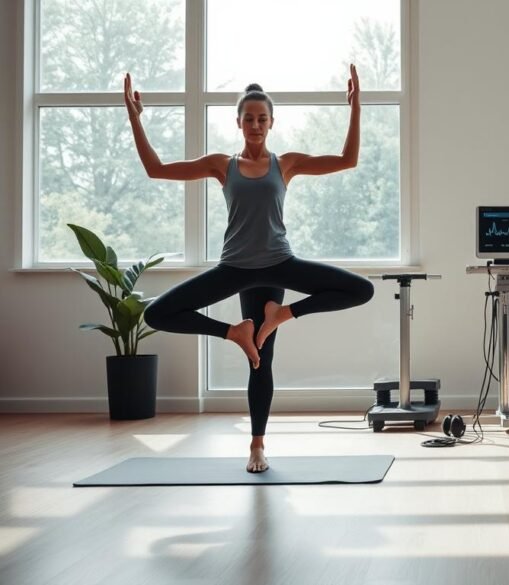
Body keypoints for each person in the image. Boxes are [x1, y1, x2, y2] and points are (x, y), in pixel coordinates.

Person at [127, 65, 374, 473]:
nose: (256, 124)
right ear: (238, 122)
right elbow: (157, 169)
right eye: (249, 118)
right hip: (235, 268)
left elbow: (348, 160)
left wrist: (356, 107)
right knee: (157, 313)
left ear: (272, 123)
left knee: (358, 290)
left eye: (262, 118)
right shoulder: (221, 165)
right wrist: (135, 118)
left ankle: (258, 441)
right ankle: (234, 333)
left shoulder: (287, 164)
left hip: (280, 265)